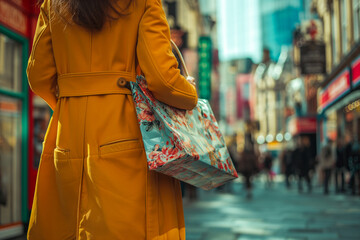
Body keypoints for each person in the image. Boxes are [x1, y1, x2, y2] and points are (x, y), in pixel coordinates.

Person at [27, 0, 198, 239]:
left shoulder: (53, 5)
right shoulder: (144, 3)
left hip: (68, 135)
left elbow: (38, 77)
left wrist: (71, 105)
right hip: (128, 130)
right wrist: (190, 95)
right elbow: (163, 80)